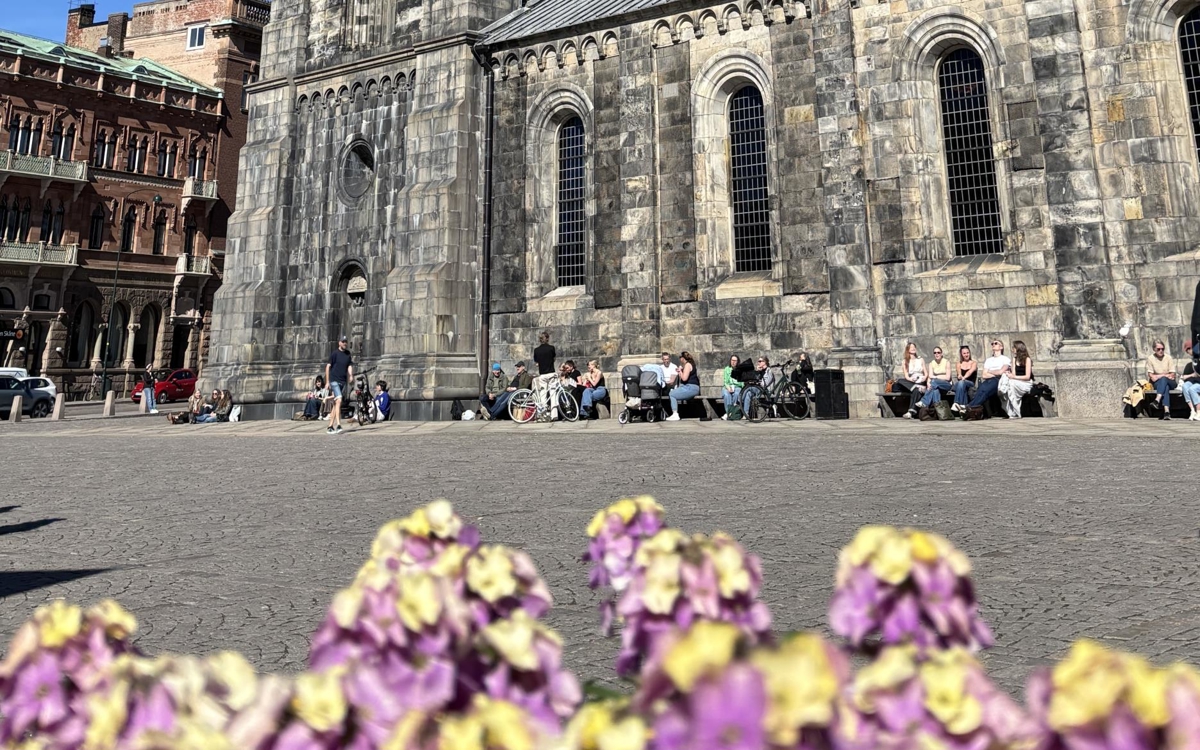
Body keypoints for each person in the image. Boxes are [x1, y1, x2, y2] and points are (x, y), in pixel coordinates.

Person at [966, 340, 1011, 412]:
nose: (993, 344)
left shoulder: (1005, 359)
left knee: (985, 390)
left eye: (996, 343)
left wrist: (990, 371)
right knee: (981, 389)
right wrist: (996, 372)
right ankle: (971, 407)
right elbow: (984, 375)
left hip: (999, 380)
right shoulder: (989, 360)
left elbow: (1001, 372)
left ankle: (969, 407)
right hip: (989, 380)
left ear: (1001, 347)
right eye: (992, 343)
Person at [325, 335, 354, 435]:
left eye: (346, 341)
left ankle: (329, 426)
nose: (345, 343)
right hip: (334, 380)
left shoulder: (348, 354)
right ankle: (338, 425)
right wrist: (327, 381)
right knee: (339, 400)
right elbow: (328, 367)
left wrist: (351, 376)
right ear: (339, 343)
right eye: (343, 341)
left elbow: (349, 365)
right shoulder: (335, 354)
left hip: (342, 381)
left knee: (336, 403)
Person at [998, 340, 1034, 418]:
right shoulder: (1014, 359)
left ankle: (1015, 411)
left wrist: (1014, 377)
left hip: (1026, 382)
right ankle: (1013, 411)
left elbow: (1027, 377)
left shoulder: (1027, 360)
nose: (1012, 349)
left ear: (1018, 348)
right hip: (1015, 381)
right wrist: (1009, 374)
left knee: (1010, 384)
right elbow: (1013, 374)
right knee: (1006, 379)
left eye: (1013, 347)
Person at [893, 342, 928, 418]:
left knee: (916, 390)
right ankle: (910, 412)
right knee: (900, 381)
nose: (913, 348)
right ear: (908, 350)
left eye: (914, 347)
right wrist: (911, 379)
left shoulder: (920, 359)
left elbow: (926, 373)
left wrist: (924, 377)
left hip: (920, 380)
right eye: (911, 347)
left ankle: (910, 412)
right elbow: (906, 376)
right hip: (912, 382)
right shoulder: (905, 361)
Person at [1146, 339, 1177, 420]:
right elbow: (1152, 377)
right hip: (1158, 383)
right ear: (1154, 349)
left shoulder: (1168, 358)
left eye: (1162, 349)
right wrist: (1164, 375)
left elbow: (1172, 375)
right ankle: (1167, 412)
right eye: (1158, 349)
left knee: (1164, 381)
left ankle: (1157, 400)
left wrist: (1159, 376)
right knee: (1165, 387)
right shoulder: (1150, 358)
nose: (1161, 351)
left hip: (1170, 382)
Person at [666, 351, 700, 421]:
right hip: (690, 387)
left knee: (672, 394)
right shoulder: (690, 364)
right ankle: (674, 413)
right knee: (673, 393)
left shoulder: (687, 365)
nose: (680, 360)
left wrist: (680, 371)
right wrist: (680, 371)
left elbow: (684, 378)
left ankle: (675, 414)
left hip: (690, 388)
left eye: (680, 358)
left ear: (683, 358)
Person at [950, 346, 978, 414]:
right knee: (962, 385)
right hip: (961, 384)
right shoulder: (959, 363)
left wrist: (964, 378)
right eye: (964, 353)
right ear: (961, 354)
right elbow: (959, 372)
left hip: (970, 383)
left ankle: (956, 403)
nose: (966, 355)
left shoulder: (973, 363)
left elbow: (970, 372)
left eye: (968, 353)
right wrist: (959, 375)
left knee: (962, 383)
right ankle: (963, 406)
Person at [721, 355, 743, 420]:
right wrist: (728, 388)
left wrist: (734, 385)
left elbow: (741, 382)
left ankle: (732, 412)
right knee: (726, 394)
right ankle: (728, 413)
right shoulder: (726, 369)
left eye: (735, 361)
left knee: (736, 393)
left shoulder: (740, 370)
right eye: (732, 360)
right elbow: (725, 381)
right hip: (728, 386)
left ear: (737, 362)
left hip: (737, 386)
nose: (733, 362)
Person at [1180, 348, 1200, 420]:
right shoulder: (1189, 365)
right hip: (1193, 382)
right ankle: (1192, 410)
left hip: (1198, 383)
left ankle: (1198, 411)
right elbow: (1183, 377)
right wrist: (1192, 375)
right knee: (1185, 386)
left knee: (1192, 389)